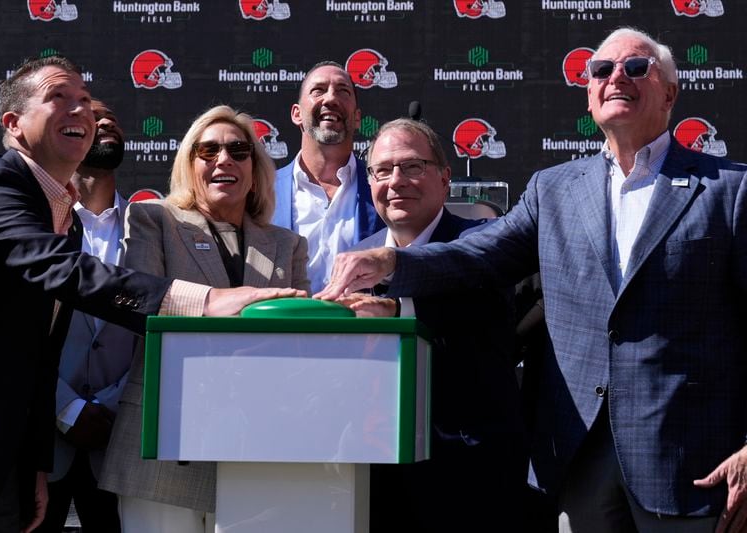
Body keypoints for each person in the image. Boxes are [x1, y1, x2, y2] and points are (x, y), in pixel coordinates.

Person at [317, 27, 747, 532]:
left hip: (692, 469)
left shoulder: (729, 191)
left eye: (636, 68)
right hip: (575, 463)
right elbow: (482, 253)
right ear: (589, 93)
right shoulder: (554, 188)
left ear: (670, 92)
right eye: (602, 70)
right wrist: (394, 266)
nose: (616, 79)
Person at [0, 56, 303, 533]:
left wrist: (32, 464)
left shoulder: (62, 216)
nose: (81, 112)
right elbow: (66, 272)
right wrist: (204, 301)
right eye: (58, 97)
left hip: (2, 458)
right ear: (13, 123)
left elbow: (38, 354)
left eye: (83, 102)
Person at [98, 105, 310, 533]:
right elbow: (138, 301)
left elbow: (300, 339)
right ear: (188, 163)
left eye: (238, 150)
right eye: (207, 150)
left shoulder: (288, 245)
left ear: (255, 168)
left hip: (256, 447)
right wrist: (219, 300)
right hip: (164, 447)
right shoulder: (152, 218)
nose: (223, 160)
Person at [338, 118, 527, 531]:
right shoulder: (356, 259)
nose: (396, 181)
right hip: (374, 473)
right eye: (382, 170)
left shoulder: (485, 240)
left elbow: (472, 308)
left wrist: (397, 311)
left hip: (469, 474)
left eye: (412, 167)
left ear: (445, 179)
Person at [35, 99, 129, 533]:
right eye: (94, 116)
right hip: (39, 445)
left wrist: (115, 405)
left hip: (121, 443)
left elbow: (160, 331)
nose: (105, 122)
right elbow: (14, 328)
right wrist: (66, 408)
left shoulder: (157, 224)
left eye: (111, 118)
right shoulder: (31, 222)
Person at [271, 61, 384, 293]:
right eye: (318, 90)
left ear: (357, 117)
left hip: (364, 328)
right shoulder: (261, 191)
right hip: (281, 327)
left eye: (343, 91)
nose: (331, 99)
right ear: (296, 114)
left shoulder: (383, 188)